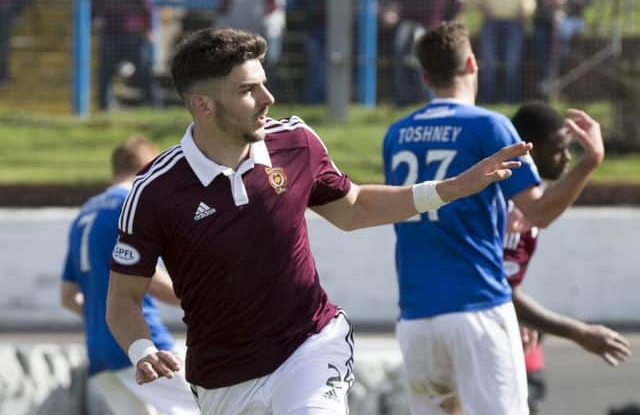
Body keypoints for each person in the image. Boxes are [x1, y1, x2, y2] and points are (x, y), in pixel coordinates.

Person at [105, 27, 531, 415]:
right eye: (248, 90)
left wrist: (452, 187)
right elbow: (123, 299)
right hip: (221, 378)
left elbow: (356, 207)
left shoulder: (295, 142)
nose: (268, 98)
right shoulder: (154, 191)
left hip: (310, 346)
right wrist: (141, 349)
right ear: (203, 105)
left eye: (265, 83)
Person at [382, 21, 605, 415]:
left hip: (416, 316)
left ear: (425, 77)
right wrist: (590, 163)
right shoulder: (490, 126)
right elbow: (538, 210)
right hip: (478, 307)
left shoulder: (397, 134)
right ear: (472, 62)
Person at [506, 101, 631, 414]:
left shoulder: (521, 206)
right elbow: (500, 291)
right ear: (529, 151)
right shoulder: (510, 211)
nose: (566, 157)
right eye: (558, 148)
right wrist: (580, 333)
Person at [60, 136, 199, 415]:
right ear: (148, 167)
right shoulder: (132, 205)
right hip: (142, 345)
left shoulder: (85, 214)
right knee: (208, 406)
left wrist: (105, 315)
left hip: (98, 351)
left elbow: (68, 297)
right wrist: (204, 298)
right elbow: (153, 283)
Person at [392, 0, 465, 107]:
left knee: (428, 65)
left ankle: (428, 98)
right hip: (409, 26)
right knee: (404, 61)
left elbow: (457, 4)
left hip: (433, 29)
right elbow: (398, 2)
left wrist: (446, 26)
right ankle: (404, 99)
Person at [92, 0, 163, 110]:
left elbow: (148, 7)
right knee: (105, 74)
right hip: (110, 35)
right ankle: (104, 107)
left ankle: (155, 106)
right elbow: (94, 6)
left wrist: (151, 28)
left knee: (145, 72)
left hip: (133, 35)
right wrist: (95, 19)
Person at [215, 0, 286, 90]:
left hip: (268, 29)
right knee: (240, 66)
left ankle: (267, 95)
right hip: (242, 30)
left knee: (270, 64)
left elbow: (274, 4)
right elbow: (223, 5)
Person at [477, 0, 535, 103]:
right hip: (490, 21)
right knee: (489, 63)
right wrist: (483, 7)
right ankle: (488, 100)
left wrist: (524, 10)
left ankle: (511, 100)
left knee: (512, 64)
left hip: (515, 22)